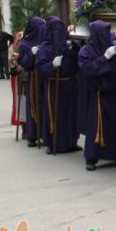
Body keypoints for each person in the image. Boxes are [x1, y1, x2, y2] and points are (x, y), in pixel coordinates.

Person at [78, 20, 116, 170]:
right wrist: (104, 58)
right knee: (97, 126)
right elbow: (87, 70)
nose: (108, 35)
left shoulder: (111, 47)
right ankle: (92, 157)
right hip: (100, 94)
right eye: (105, 33)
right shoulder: (86, 51)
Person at [37, 16, 80, 154]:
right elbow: (41, 67)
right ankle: (53, 143)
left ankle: (71, 141)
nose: (58, 32)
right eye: (55, 29)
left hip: (70, 83)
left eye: (61, 29)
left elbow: (77, 58)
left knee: (71, 114)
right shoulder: (45, 47)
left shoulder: (67, 43)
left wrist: (73, 47)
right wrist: (52, 65)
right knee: (56, 115)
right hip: (54, 85)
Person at [17, 17, 46, 147]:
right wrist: (31, 54)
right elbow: (23, 62)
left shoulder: (45, 40)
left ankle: (45, 134)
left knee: (45, 106)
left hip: (44, 77)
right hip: (33, 77)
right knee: (34, 106)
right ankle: (32, 135)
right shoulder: (25, 43)